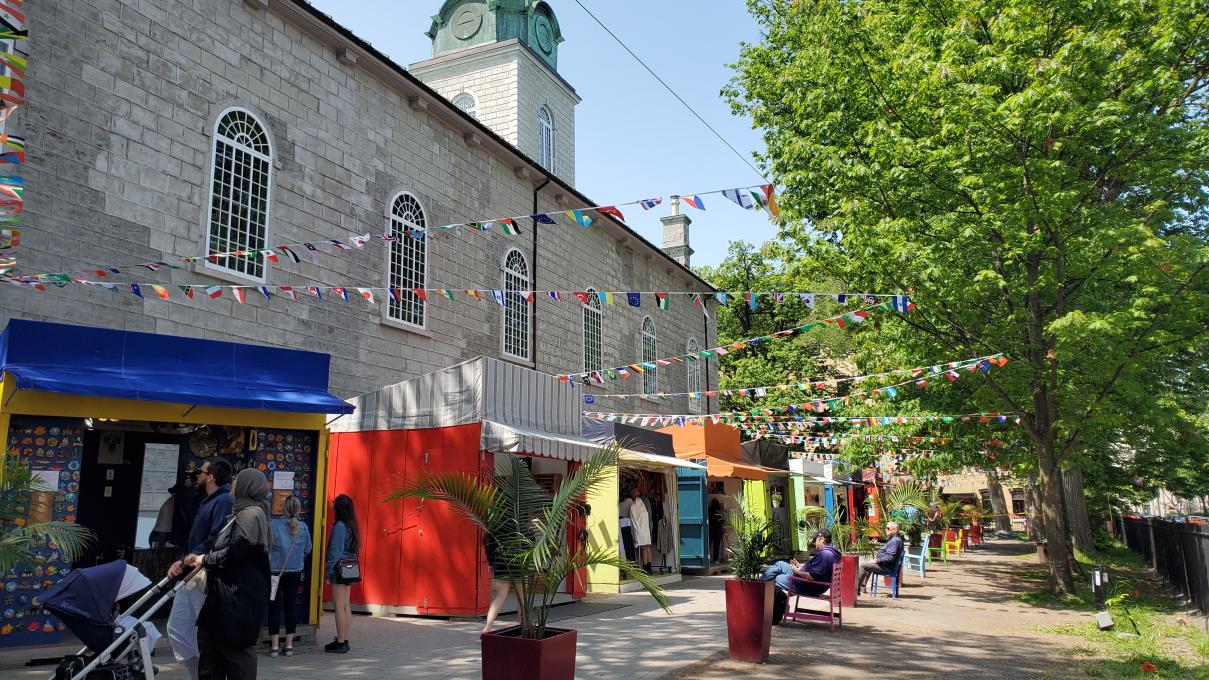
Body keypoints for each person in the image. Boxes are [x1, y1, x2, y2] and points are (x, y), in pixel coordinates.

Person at [185, 468, 271, 680]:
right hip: (224, 598)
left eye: (237, 480)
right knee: (212, 649)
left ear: (246, 486)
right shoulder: (241, 513)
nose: (233, 483)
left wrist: (204, 559)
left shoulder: (251, 514)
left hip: (237, 601)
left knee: (236, 656)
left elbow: (237, 551)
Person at [166, 458, 234, 680]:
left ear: (211, 476)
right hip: (190, 571)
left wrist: (191, 560)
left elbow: (215, 538)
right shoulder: (207, 500)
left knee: (203, 631)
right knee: (176, 628)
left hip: (201, 574)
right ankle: (201, 673)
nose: (197, 475)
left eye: (201, 472)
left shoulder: (222, 501)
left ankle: (210, 673)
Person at [762, 529, 842, 623]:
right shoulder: (833, 552)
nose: (814, 543)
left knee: (776, 578)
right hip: (809, 581)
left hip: (806, 585)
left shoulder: (825, 555)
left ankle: (762, 589)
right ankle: (761, 584)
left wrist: (798, 572)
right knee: (779, 564)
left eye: (815, 540)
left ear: (822, 539)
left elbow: (811, 577)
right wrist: (800, 567)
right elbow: (817, 571)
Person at [268, 495, 312, 658]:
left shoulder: (273, 525)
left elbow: (267, 546)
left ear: (284, 508)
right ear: (299, 509)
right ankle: (289, 645)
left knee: (274, 607)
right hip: (295, 572)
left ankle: (274, 647)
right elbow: (308, 549)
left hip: (275, 573)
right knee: (290, 607)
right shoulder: (304, 527)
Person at [324, 494, 359, 654]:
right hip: (350, 568)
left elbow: (335, 552)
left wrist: (328, 571)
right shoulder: (352, 525)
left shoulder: (339, 526)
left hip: (339, 569)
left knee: (338, 606)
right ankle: (344, 638)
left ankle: (340, 641)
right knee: (346, 605)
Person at [859, 521, 905, 594]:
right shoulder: (894, 538)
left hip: (887, 566)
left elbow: (890, 557)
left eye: (888, 528)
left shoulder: (895, 540)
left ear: (895, 530)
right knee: (869, 564)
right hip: (885, 564)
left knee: (863, 565)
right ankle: (861, 588)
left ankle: (855, 588)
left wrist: (877, 560)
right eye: (886, 528)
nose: (886, 529)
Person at [628, 487, 652, 574]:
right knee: (648, 548)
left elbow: (634, 521)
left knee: (643, 549)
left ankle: (645, 568)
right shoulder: (644, 503)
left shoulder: (634, 506)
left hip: (640, 531)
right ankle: (649, 567)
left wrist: (636, 533)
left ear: (633, 494)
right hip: (646, 530)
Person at [708, 499, 726, 563]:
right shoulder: (720, 510)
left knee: (708, 545)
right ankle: (715, 559)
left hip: (710, 529)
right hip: (718, 530)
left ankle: (707, 559)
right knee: (716, 546)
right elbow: (723, 520)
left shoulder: (709, 510)